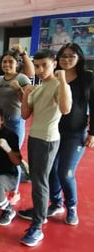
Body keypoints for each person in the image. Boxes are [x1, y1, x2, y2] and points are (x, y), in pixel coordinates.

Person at [18, 49, 72, 247]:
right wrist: (25, 94)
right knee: (38, 180)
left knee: (40, 182)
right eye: (37, 65)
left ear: (54, 64)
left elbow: (65, 109)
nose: (40, 70)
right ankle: (39, 215)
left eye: (44, 65)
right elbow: (25, 115)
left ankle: (38, 226)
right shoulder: (39, 88)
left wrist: (63, 79)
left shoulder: (59, 85)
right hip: (35, 138)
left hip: (47, 140)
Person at [47, 43, 94, 225]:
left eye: (71, 56)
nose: (66, 59)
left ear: (79, 58)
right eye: (63, 56)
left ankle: (71, 207)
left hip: (75, 134)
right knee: (51, 170)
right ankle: (56, 202)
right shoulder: (53, 76)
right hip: (53, 131)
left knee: (65, 172)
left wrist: (92, 133)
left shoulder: (87, 78)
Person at [0, 50, 31, 205]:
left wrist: (18, 88)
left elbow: (27, 102)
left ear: (17, 63)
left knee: (14, 157)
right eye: (4, 61)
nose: (7, 64)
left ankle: (15, 191)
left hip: (15, 122)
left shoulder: (22, 78)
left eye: (10, 61)